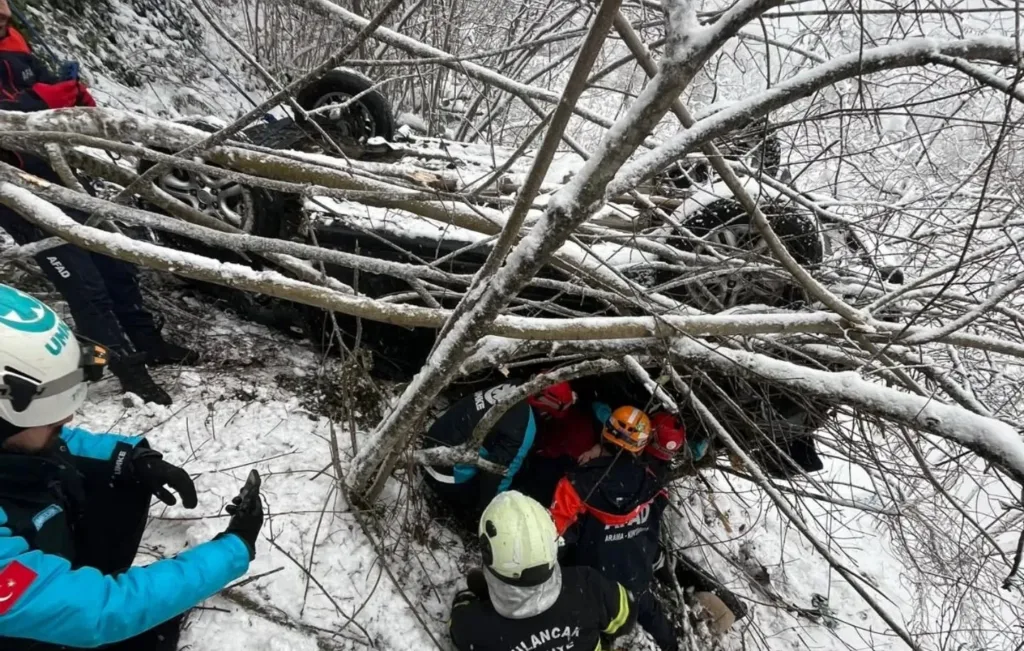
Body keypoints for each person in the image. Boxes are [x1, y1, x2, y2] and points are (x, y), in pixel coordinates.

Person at [0, 283, 264, 650]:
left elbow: (58, 442)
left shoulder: (15, 440)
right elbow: (100, 611)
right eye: (50, 417)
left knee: (107, 476)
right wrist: (234, 547)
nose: (68, 417)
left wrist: (131, 459)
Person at [0, 0, 192, 406]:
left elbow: (46, 87)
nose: (3, 12)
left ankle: (148, 342)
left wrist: (71, 95)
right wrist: (44, 99)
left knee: (115, 263)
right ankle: (128, 369)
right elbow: (15, 112)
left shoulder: (15, 38)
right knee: (83, 284)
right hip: (16, 191)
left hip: (59, 173)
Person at [548, 406, 682, 651]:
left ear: (604, 432)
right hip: (636, 577)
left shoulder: (576, 484)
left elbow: (555, 539)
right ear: (641, 446)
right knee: (661, 628)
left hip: (593, 586)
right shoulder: (653, 485)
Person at [449, 490, 636, 651]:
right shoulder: (587, 586)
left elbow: (458, 627)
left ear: (488, 550)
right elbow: (625, 617)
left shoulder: (474, 626)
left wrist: (475, 598)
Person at [421, 380, 575, 524]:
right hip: (443, 474)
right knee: (516, 474)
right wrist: (488, 513)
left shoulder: (514, 384)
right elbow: (499, 472)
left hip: (431, 444)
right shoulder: (524, 426)